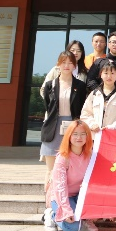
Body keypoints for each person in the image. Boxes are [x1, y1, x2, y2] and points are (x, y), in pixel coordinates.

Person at [40, 51, 87, 189]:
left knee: (70, 168)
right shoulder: (50, 85)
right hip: (53, 127)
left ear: (74, 65)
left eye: (70, 63)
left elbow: (81, 107)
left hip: (73, 127)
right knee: (51, 170)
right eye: (63, 62)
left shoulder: (80, 86)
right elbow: (48, 106)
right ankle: (50, 200)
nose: (66, 66)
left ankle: (65, 198)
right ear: (58, 64)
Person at [44, 119, 98, 231]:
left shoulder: (91, 156)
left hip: (80, 196)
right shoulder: (63, 158)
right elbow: (60, 187)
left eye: (83, 134)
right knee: (72, 228)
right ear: (69, 136)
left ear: (88, 136)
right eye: (75, 134)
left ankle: (85, 220)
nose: (79, 137)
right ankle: (52, 215)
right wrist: (66, 210)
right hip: (62, 197)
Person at [80, 62, 116, 133]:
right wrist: (92, 124)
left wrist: (112, 127)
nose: (109, 76)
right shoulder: (94, 94)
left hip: (113, 134)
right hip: (95, 134)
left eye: (112, 73)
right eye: (106, 73)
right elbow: (85, 114)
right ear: (101, 74)